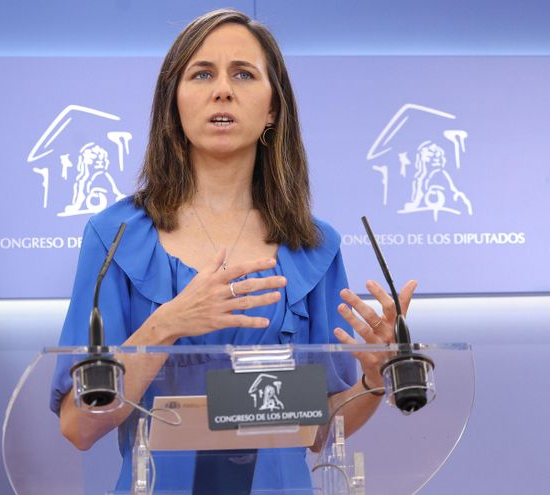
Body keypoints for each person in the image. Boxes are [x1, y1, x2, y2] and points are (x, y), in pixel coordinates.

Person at [50, 8, 417, 493]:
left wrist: (372, 380)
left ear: (272, 109)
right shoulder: (116, 236)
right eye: (202, 74)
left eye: (243, 74)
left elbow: (319, 428)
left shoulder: (315, 246)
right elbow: (80, 426)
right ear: (174, 103)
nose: (222, 89)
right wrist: (167, 325)